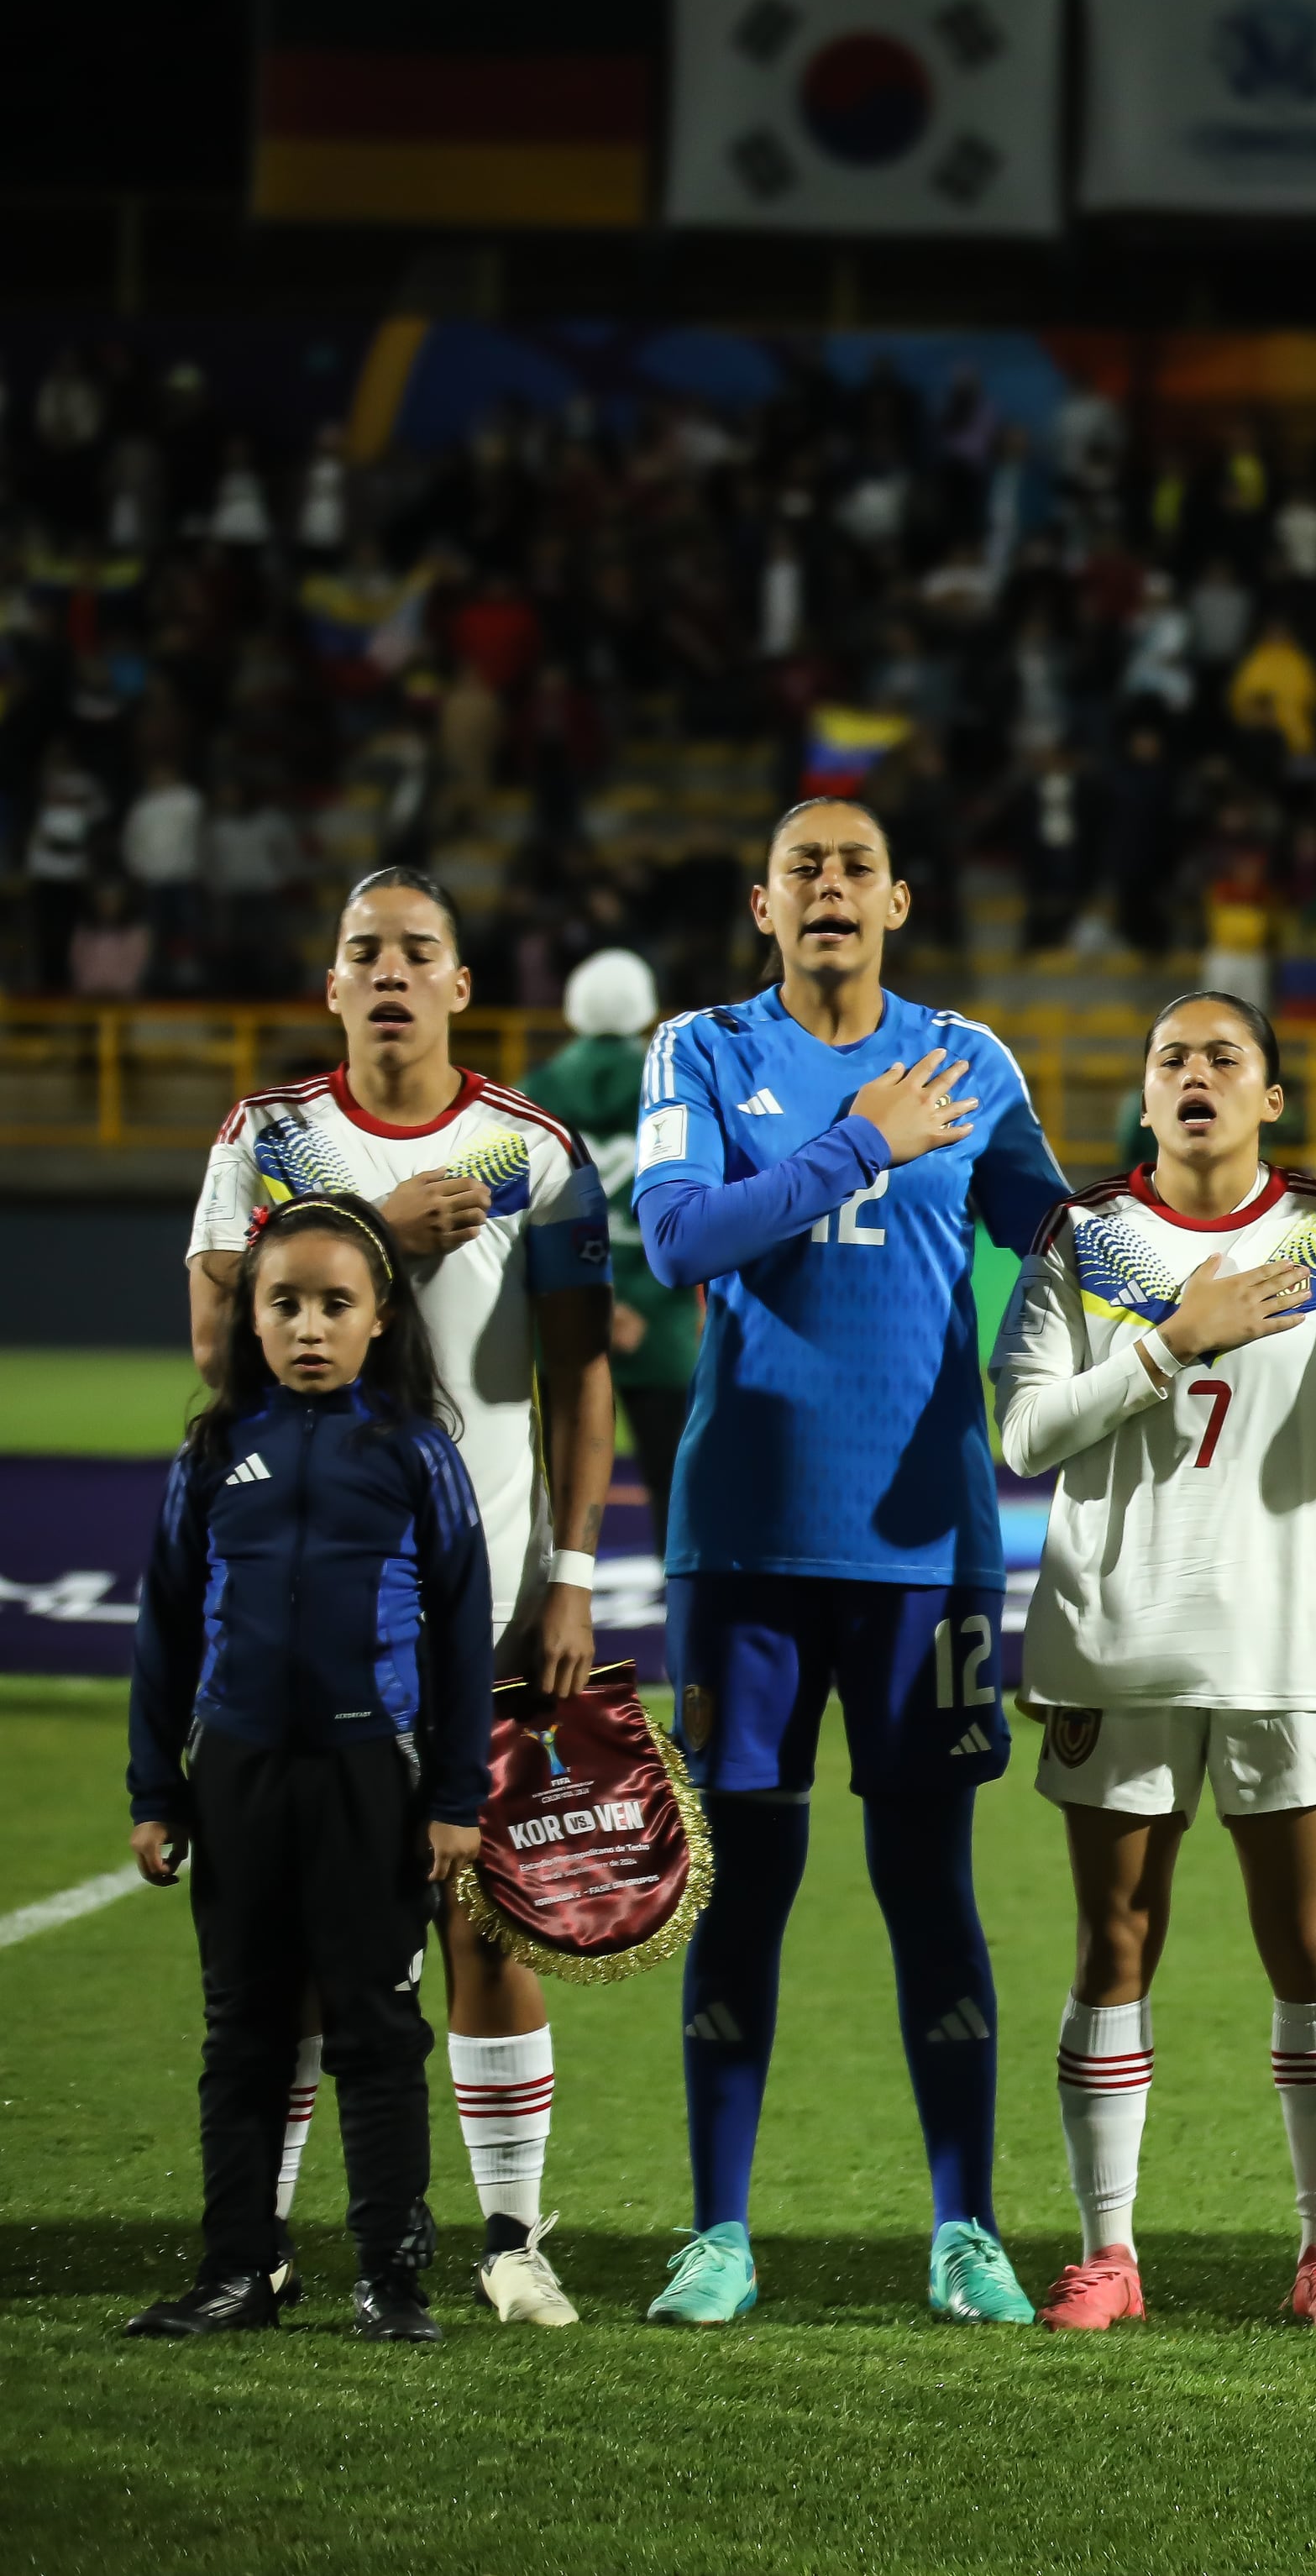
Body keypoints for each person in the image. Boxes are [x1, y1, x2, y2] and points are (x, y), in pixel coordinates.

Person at [629, 796, 1070, 2328]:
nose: (830, 887)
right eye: (802, 867)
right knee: (743, 1882)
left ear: (900, 899)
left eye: (856, 867)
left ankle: (966, 2229)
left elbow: (1066, 1239)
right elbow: (683, 1242)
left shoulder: (977, 1064)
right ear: (763, 903)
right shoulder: (699, 1050)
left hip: (922, 1548)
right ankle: (718, 2231)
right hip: (745, 1541)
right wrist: (854, 1143)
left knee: (927, 1884)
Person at [186, 866, 614, 2328]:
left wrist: (570, 1573)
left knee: (488, 1919)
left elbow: (582, 1371)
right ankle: (275, 2240)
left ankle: (507, 2235)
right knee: (302, 1942)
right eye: (361, 948)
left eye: (415, 949)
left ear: (458, 984)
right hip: (312, 1616)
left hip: (483, 1607)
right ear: (331, 986)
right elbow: (210, 1339)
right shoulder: (267, 1135)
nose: (386, 969)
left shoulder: (534, 1149)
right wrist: (373, 1227)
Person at [998, 992, 1316, 2337]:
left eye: (1227, 1057)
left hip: (1290, 1646)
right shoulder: (1086, 1235)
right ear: (1149, 1092)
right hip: (1116, 1642)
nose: (1198, 1076)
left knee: (1308, 1944)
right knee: (1116, 1940)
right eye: (1174, 1058)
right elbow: (1025, 1434)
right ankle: (1107, 2253)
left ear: (1272, 1096)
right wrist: (1172, 1340)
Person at [124, 1195, 489, 2343]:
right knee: (243, 2030)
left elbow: (462, 1636)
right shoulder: (215, 1450)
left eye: (337, 1303)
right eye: (285, 1304)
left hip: (366, 1775)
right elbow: (165, 1628)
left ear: (382, 1317)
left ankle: (392, 2279)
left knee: (377, 2031)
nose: (311, 1327)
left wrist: (456, 1799)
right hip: (237, 1773)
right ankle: (236, 2271)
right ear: (253, 1320)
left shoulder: (417, 1452)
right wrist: (155, 1789)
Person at [527, 947, 699, 1559]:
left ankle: (539, 1633)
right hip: (658, 1324)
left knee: (551, 1492)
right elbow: (695, 1205)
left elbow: (522, 1218)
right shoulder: (675, 1084)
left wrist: (589, 1300)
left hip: (565, 1315)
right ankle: (686, 1636)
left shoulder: (536, 1089)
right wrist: (639, 1302)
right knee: (678, 1490)